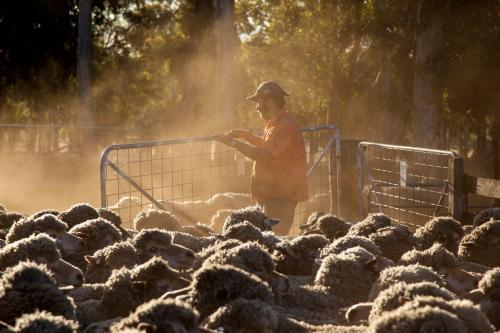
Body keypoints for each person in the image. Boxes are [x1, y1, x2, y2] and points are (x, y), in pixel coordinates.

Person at [213, 81, 308, 235]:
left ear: (270, 101)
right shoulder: (274, 124)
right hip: (275, 192)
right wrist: (246, 135)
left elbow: (263, 155)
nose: (256, 107)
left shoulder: (285, 126)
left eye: (258, 102)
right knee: (270, 236)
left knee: (274, 236)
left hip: (281, 194)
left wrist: (233, 143)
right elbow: (267, 146)